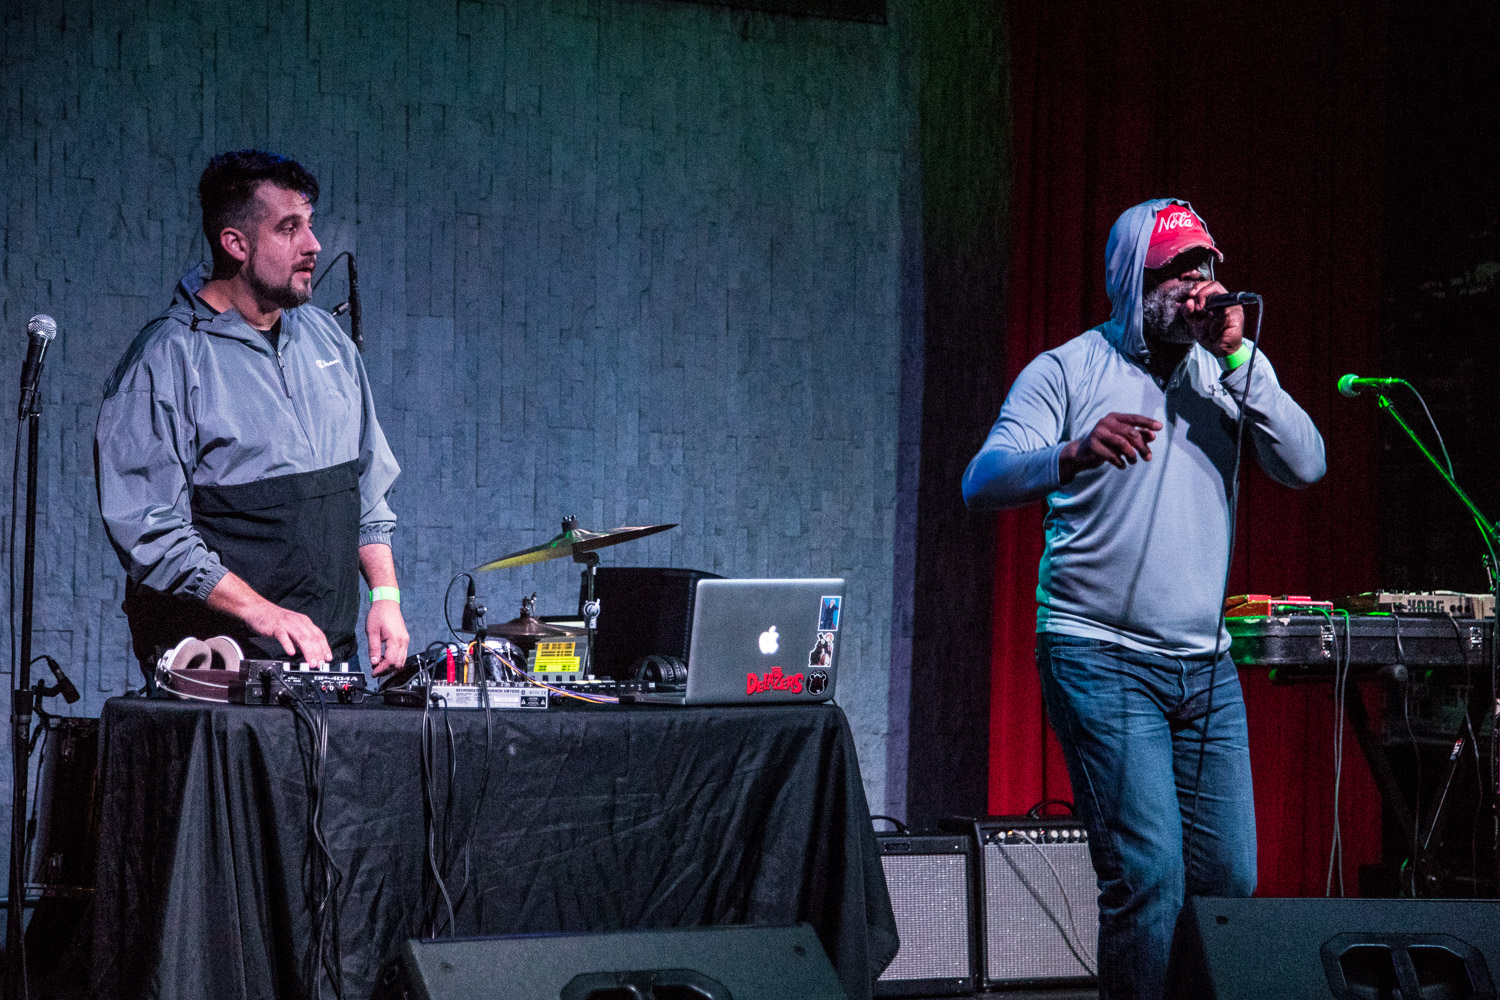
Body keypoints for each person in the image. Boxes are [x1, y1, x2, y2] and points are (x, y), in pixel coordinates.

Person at [962, 199, 1326, 1000]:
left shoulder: (1225, 373)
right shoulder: (1067, 370)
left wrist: (1242, 361)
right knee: (1149, 874)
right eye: (1177, 274)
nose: (1198, 288)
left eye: (1207, 270)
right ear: (1133, 281)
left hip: (1206, 669)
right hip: (1100, 656)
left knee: (1228, 881)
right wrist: (1069, 452)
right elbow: (981, 480)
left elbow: (1306, 465)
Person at [96, 150, 409, 678]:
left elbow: (366, 488)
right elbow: (151, 530)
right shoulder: (167, 358)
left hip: (326, 659)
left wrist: (385, 595)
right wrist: (262, 611)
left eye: (309, 223)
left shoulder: (327, 340)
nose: (313, 244)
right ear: (235, 244)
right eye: (289, 228)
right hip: (221, 670)